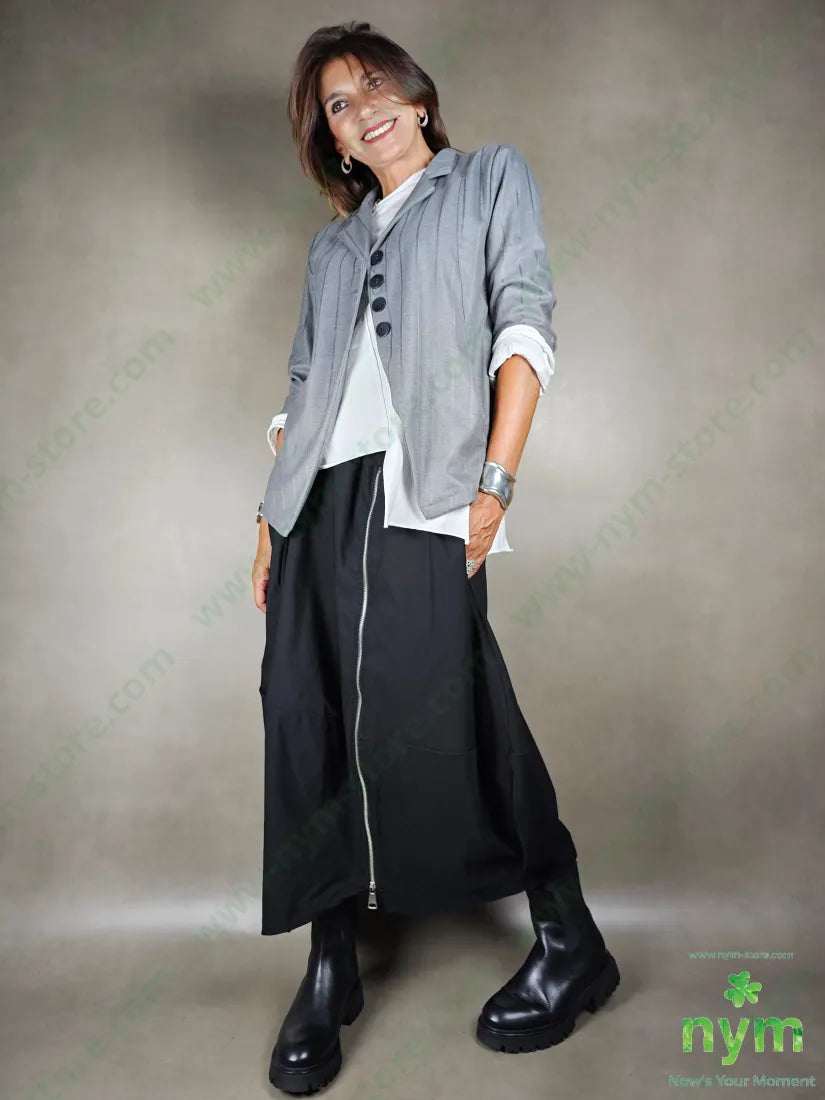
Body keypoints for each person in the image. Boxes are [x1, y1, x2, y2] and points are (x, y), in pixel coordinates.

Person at [251, 20, 620, 1095]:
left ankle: (569, 938)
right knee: (303, 708)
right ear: (332, 141)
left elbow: (524, 323)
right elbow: (305, 382)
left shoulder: (488, 181)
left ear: (415, 97)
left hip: (429, 487)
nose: (361, 110)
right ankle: (330, 961)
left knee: (459, 701)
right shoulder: (331, 248)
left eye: (374, 86)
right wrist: (270, 514)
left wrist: (495, 481)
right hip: (316, 498)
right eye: (337, 104)